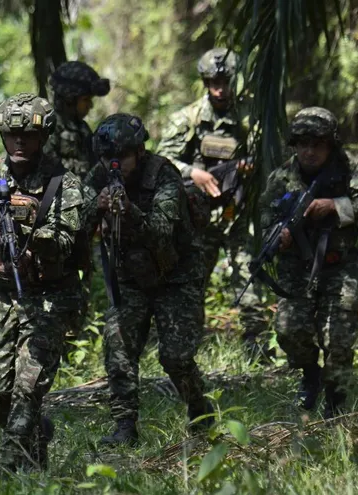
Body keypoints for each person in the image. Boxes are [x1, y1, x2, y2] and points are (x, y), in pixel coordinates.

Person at [0, 92, 84, 470]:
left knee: (27, 390)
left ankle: (6, 468)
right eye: (12, 134)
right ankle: (36, 435)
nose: (19, 141)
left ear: (43, 138)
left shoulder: (63, 183)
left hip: (47, 297)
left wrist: (30, 229)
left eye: (27, 134)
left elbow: (67, 238)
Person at [83, 113, 213, 446]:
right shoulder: (100, 175)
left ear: (139, 151)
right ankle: (125, 426)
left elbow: (161, 231)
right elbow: (72, 222)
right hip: (130, 277)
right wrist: (94, 210)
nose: (113, 165)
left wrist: (130, 211)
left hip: (176, 275)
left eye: (121, 158)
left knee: (176, 357)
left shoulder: (163, 174)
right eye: (107, 158)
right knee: (119, 349)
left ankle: (200, 409)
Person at [260, 107, 358, 417]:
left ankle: (336, 404)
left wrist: (335, 206)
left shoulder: (351, 171)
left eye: (318, 144)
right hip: (296, 267)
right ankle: (310, 374)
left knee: (338, 340)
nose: (309, 151)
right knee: (288, 330)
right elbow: (265, 218)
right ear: (294, 145)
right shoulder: (281, 177)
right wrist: (279, 235)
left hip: (339, 266)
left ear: (331, 145)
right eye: (303, 144)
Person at [156, 47, 272, 363]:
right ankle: (186, 351)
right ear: (205, 82)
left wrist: (249, 169)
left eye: (224, 81)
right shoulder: (188, 119)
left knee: (248, 281)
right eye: (213, 81)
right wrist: (193, 172)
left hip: (238, 216)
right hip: (199, 220)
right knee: (192, 286)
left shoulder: (250, 118)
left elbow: (271, 158)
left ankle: (256, 350)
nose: (219, 88)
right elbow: (161, 160)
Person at [43, 61, 111, 346]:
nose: (90, 107)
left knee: (83, 283)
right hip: (58, 221)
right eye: (86, 100)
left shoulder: (82, 130)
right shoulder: (48, 129)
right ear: (70, 99)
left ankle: (73, 339)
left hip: (85, 221)